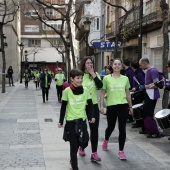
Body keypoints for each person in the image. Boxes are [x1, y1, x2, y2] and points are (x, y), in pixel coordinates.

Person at [58, 69, 95, 170]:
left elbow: (90, 105)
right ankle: (74, 166)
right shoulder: (67, 91)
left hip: (82, 121)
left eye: (81, 78)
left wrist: (91, 116)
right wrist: (60, 121)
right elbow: (63, 107)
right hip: (71, 122)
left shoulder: (86, 90)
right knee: (73, 146)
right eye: (78, 78)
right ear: (72, 79)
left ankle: (79, 148)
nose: (80, 80)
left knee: (85, 141)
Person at [100, 58, 133, 160]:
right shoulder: (106, 78)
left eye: (119, 64)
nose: (117, 66)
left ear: (122, 66)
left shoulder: (125, 79)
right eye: (115, 64)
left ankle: (121, 151)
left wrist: (130, 106)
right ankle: (106, 140)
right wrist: (101, 106)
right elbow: (102, 93)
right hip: (111, 105)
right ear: (112, 66)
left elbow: (128, 93)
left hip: (123, 105)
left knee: (122, 128)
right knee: (111, 127)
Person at [78, 56, 103, 161]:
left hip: (93, 105)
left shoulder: (95, 75)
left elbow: (100, 85)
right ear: (84, 64)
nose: (90, 65)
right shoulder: (79, 76)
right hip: (82, 106)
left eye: (91, 63)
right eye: (88, 63)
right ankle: (82, 146)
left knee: (94, 129)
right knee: (83, 130)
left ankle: (94, 153)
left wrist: (93, 74)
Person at [139, 58, 162, 138]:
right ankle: (147, 129)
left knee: (148, 114)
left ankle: (154, 132)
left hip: (152, 95)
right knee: (145, 113)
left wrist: (146, 86)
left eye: (141, 65)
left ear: (145, 63)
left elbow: (157, 84)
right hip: (149, 94)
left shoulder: (153, 71)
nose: (141, 67)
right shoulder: (149, 71)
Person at [130, 61, 145, 129]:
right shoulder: (137, 72)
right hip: (137, 92)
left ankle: (139, 121)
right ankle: (137, 121)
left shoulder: (138, 73)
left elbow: (142, 83)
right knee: (135, 107)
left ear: (132, 67)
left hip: (139, 93)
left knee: (136, 107)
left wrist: (135, 88)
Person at [123, 59, 134, 123]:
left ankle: (129, 117)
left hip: (129, 89)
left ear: (124, 64)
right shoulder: (126, 71)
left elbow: (131, 80)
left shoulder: (129, 71)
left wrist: (130, 88)